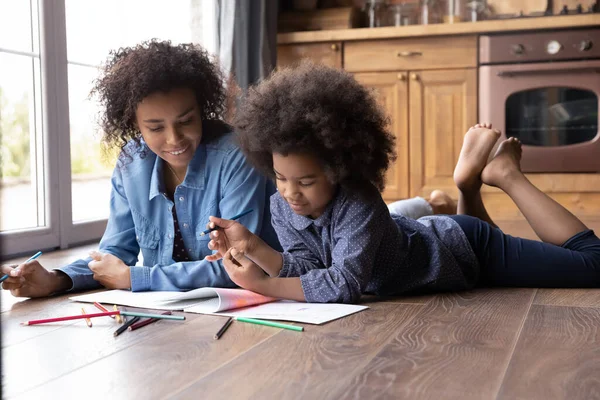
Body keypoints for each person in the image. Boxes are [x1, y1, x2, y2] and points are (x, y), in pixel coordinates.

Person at [205, 62, 600, 304]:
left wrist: (264, 286)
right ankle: (468, 185)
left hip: (465, 248)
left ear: (341, 167)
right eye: (280, 178)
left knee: (593, 264)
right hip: (441, 247)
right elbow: (309, 266)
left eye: (306, 181)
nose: (290, 192)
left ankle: (507, 175)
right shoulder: (282, 205)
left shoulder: (358, 200)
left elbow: (343, 283)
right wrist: (252, 245)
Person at [1, 40, 283, 298]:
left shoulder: (237, 156)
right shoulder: (132, 161)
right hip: (165, 315)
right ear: (135, 124)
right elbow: (114, 254)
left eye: (186, 120)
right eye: (156, 127)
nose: (174, 139)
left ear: (202, 110)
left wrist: (136, 277)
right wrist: (54, 279)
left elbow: (238, 264)